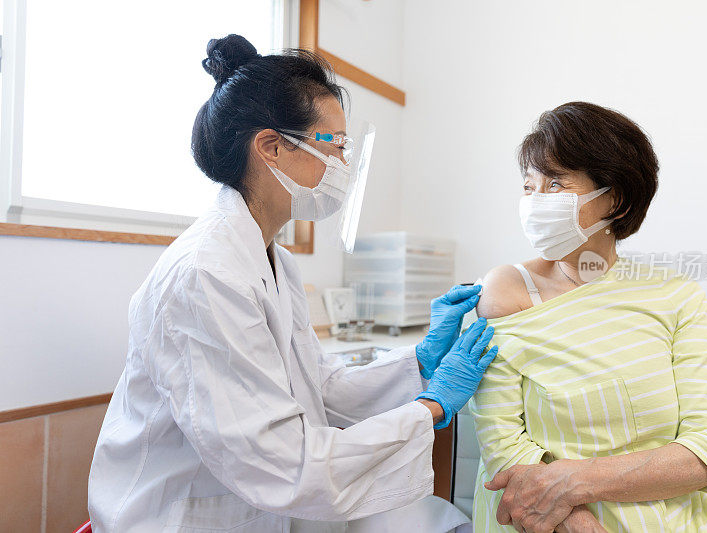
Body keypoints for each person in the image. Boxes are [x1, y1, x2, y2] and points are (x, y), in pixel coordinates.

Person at [87, 34, 497, 532]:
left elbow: (316, 388)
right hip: (184, 517)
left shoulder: (272, 257)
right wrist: (429, 407)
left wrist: (419, 363)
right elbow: (280, 463)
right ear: (272, 147)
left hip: (261, 503)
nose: (342, 166)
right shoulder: (205, 275)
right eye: (336, 147)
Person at [470, 102, 707, 532]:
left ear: (615, 198)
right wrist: (580, 522)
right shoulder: (508, 290)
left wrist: (575, 481)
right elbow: (502, 445)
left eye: (555, 183)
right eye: (529, 186)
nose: (536, 202)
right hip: (548, 520)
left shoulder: (674, 295)